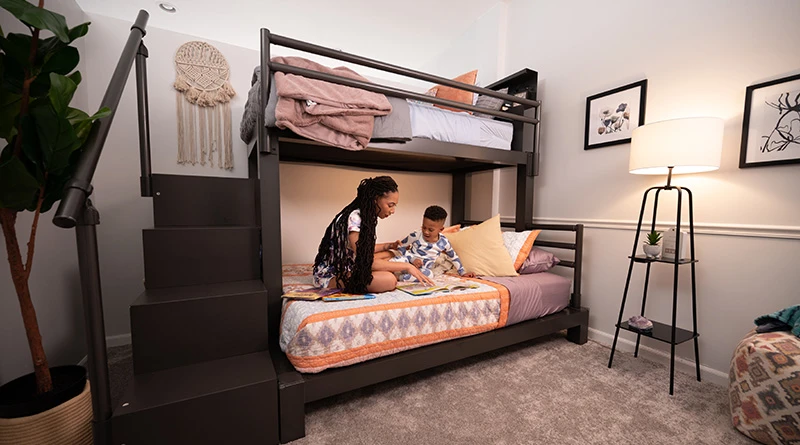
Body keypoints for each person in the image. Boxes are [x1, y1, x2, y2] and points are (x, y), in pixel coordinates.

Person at [313, 176, 434, 294]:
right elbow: (366, 261)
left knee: (390, 254)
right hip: (331, 275)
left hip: (351, 265)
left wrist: (388, 246)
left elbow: (363, 250)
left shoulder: (365, 215)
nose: (393, 211)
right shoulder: (355, 217)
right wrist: (407, 267)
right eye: (390, 205)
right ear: (376, 199)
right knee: (389, 280)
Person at [377, 205, 475, 281]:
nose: (426, 232)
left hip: (422, 269)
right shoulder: (416, 235)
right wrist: (413, 259)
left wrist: (462, 273)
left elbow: (454, 257)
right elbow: (400, 247)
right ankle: (379, 275)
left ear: (441, 229)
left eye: (430, 230)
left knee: (429, 275)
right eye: (424, 227)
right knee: (392, 262)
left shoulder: (444, 242)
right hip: (407, 261)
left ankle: (400, 278)